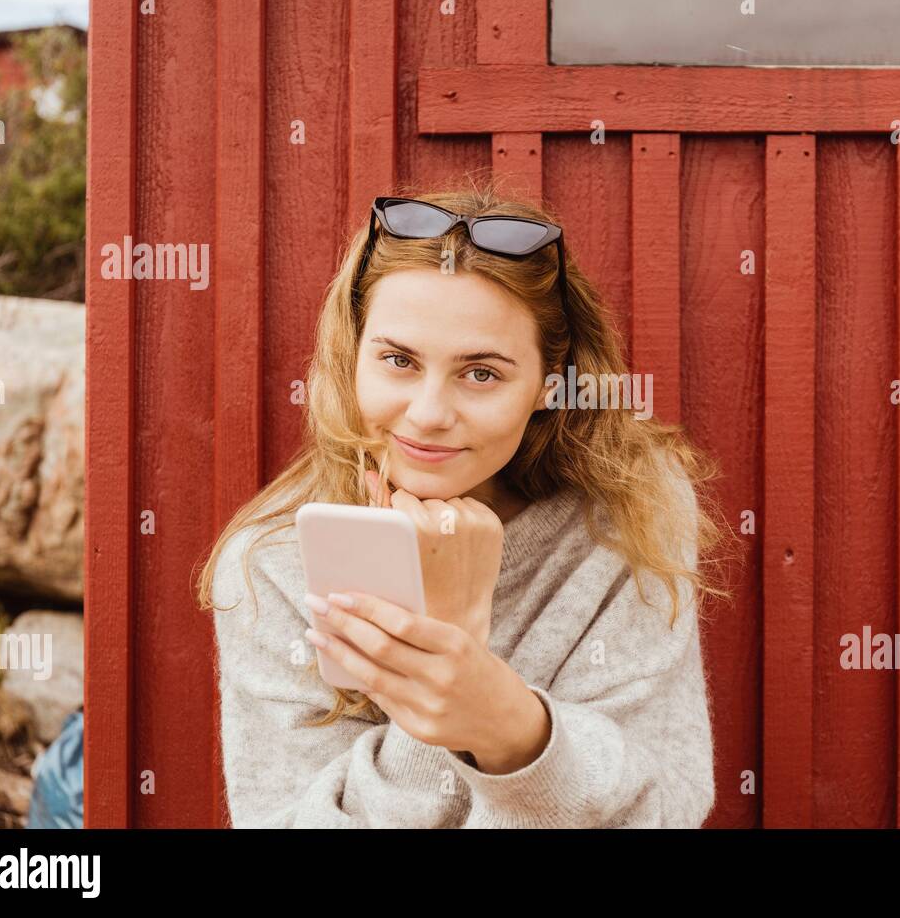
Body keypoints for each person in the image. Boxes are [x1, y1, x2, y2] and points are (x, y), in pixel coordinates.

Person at [195, 178, 735, 828]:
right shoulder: (275, 568)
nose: (427, 415)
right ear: (352, 355)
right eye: (398, 360)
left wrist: (502, 718)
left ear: (550, 386)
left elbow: (664, 808)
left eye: (481, 374)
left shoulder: (626, 522)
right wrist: (443, 662)